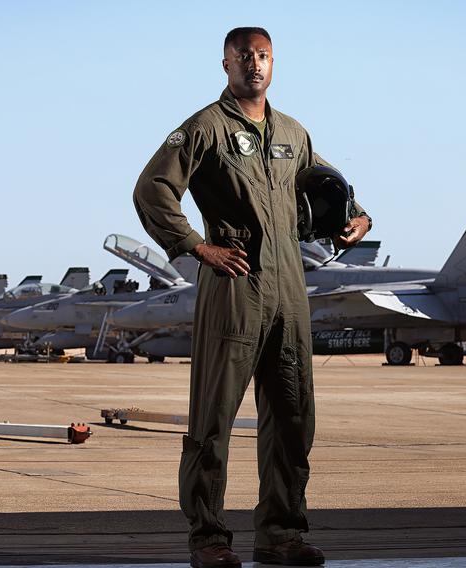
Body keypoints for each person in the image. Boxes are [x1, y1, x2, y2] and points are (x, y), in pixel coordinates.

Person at [133, 27, 371, 568]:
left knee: (293, 415)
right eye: (244, 58)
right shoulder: (204, 128)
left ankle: (281, 534)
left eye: (263, 56)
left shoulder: (292, 132)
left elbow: (334, 188)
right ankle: (209, 540)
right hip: (235, 284)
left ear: (274, 62)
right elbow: (152, 189)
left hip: (290, 288)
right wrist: (196, 246)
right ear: (225, 65)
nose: (255, 66)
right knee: (212, 418)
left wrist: (358, 219)